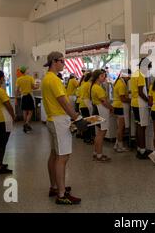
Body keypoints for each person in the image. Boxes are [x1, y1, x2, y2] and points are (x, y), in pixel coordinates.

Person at [42, 51, 88, 205]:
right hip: (59, 120)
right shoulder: (54, 80)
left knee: (55, 154)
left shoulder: (46, 78)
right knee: (63, 157)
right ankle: (61, 194)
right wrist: (77, 118)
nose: (64, 64)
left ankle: (54, 186)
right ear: (55, 61)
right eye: (62, 61)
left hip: (52, 119)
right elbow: (63, 102)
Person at [90, 69, 114, 162]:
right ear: (97, 77)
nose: (104, 77)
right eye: (102, 76)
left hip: (97, 109)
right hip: (101, 110)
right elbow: (103, 101)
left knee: (99, 133)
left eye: (104, 75)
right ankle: (99, 155)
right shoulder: (97, 88)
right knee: (101, 133)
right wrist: (111, 108)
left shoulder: (94, 86)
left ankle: (96, 153)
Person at [131, 58, 152, 159]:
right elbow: (140, 91)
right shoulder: (141, 75)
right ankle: (143, 150)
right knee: (142, 127)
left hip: (135, 103)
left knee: (138, 125)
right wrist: (149, 101)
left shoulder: (135, 74)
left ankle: (139, 148)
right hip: (140, 103)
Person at [112, 69, 131, 153]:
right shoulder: (121, 84)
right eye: (129, 75)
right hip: (120, 106)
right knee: (121, 128)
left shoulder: (119, 82)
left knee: (119, 127)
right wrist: (132, 100)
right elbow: (123, 98)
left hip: (117, 106)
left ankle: (116, 144)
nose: (129, 78)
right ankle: (120, 146)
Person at [16, 66, 38, 134]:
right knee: (30, 111)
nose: (28, 70)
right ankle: (26, 124)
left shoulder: (18, 79)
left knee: (24, 111)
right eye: (27, 69)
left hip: (23, 96)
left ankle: (26, 125)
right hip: (29, 96)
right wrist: (37, 86)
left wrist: (17, 97)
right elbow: (33, 87)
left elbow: (17, 90)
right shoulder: (30, 78)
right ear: (25, 71)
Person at [78, 72, 93, 143]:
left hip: (81, 104)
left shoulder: (83, 84)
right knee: (88, 122)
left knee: (85, 122)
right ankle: (88, 138)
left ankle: (85, 137)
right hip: (86, 104)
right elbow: (91, 95)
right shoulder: (89, 85)